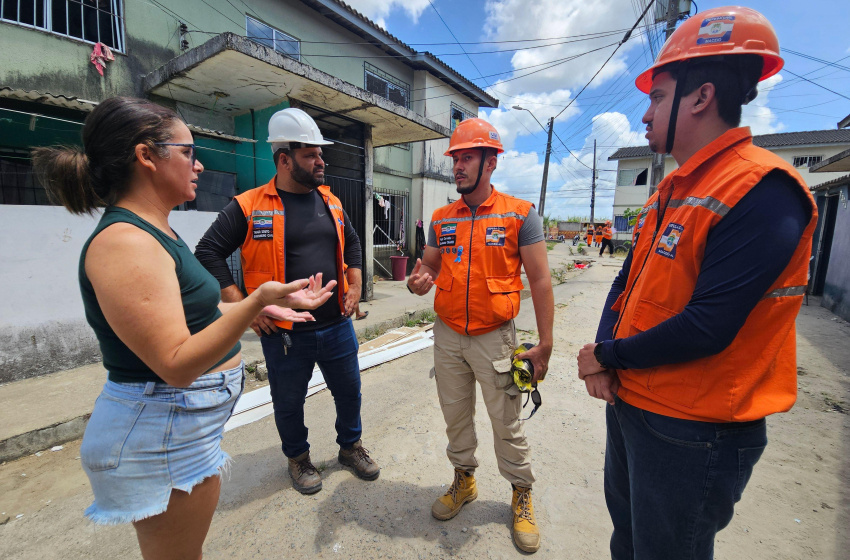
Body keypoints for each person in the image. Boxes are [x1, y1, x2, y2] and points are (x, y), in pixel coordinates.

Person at [32, 97, 335, 559]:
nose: (199, 163)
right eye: (188, 151)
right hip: (162, 426)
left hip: (180, 426)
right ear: (146, 156)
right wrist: (254, 300)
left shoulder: (158, 229)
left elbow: (192, 315)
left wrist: (268, 304)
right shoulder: (125, 242)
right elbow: (175, 364)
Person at [575, 7, 817, 559]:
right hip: (636, 405)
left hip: (695, 432)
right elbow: (624, 283)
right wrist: (606, 360)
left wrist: (607, 355)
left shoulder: (763, 190)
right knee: (630, 543)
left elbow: (708, 325)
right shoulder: (670, 192)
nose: (644, 114)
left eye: (657, 97)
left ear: (701, 96)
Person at [194, 107, 379, 495]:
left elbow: (355, 242)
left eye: (319, 154)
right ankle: (297, 458)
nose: (320, 161)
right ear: (284, 159)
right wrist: (246, 307)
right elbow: (207, 251)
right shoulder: (248, 206)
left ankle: (350, 447)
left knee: (349, 391)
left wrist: (356, 283)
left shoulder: (330, 201)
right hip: (285, 333)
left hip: (337, 325)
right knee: (289, 401)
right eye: (311, 154)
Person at [407, 118, 554, 553]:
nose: (457, 166)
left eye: (467, 158)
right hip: (448, 334)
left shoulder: (519, 214)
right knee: (455, 417)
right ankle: (464, 480)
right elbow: (429, 266)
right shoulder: (441, 218)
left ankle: (521, 493)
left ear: (491, 162)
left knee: (506, 423)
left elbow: (542, 281)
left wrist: (544, 344)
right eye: (455, 158)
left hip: (496, 338)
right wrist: (420, 279)